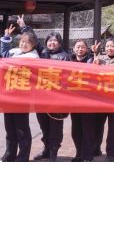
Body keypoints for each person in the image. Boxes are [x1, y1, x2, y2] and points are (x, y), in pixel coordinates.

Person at [0, 17, 39, 161]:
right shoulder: (15, 52)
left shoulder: (33, 57)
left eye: (27, 43)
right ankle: (9, 154)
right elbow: (4, 56)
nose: (23, 44)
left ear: (33, 45)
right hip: (8, 95)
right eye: (22, 41)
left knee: (21, 128)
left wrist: (25, 27)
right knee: (9, 127)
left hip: (22, 97)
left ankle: (23, 156)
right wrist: (6, 37)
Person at [32, 30, 72, 161]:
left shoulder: (65, 57)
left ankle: (54, 151)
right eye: (50, 41)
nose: (52, 43)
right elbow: (35, 42)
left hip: (57, 100)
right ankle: (46, 149)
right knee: (44, 126)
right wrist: (24, 27)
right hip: (42, 98)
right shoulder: (42, 54)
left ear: (59, 43)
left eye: (55, 40)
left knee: (55, 128)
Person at [69, 40, 95, 162]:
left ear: (86, 49)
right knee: (76, 130)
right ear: (74, 49)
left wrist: (96, 54)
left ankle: (88, 156)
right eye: (78, 47)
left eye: (83, 47)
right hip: (74, 102)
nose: (80, 49)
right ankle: (79, 154)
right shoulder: (68, 61)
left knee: (88, 130)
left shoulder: (91, 60)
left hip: (88, 102)